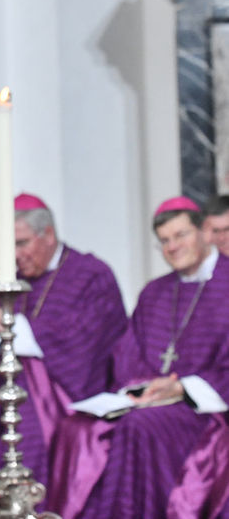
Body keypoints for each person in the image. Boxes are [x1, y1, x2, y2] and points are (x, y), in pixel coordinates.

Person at [47, 196, 229, 518]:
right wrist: (144, 388)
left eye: (180, 235)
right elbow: (129, 352)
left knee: (138, 428)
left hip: (207, 409)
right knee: (77, 428)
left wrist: (182, 388)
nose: (172, 247)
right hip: (153, 401)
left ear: (203, 231)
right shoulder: (155, 291)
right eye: (164, 241)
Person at [0, 192, 127, 515]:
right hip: (5, 396)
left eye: (22, 243)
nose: (16, 256)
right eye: (9, 247)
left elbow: (84, 344)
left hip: (67, 394)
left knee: (23, 377)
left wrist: (11, 326)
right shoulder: (13, 281)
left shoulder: (91, 274)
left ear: (48, 235)